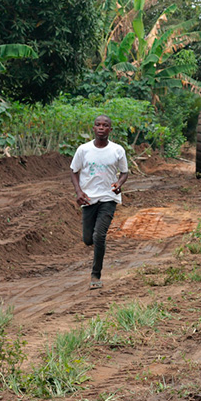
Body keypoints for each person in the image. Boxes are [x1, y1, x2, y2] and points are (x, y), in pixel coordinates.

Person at [70, 115, 129, 290]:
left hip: (108, 198)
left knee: (99, 236)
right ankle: (95, 245)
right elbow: (74, 171)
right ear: (93, 128)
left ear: (110, 130)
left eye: (105, 125)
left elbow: (124, 172)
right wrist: (79, 191)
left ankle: (96, 275)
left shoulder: (117, 150)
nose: (101, 128)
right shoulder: (83, 150)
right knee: (88, 239)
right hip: (88, 199)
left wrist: (118, 184)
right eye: (98, 125)